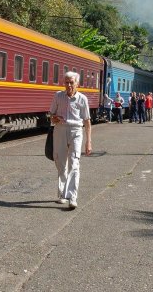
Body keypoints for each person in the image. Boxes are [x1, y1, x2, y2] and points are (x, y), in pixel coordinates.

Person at [49, 71, 92, 210]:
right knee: (61, 163)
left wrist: (88, 141)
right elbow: (51, 116)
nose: (68, 85)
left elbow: (87, 121)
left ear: (77, 84)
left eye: (71, 82)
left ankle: (73, 197)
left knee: (74, 164)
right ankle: (62, 194)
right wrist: (55, 118)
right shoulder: (58, 96)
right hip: (60, 130)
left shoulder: (82, 99)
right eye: (66, 82)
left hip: (76, 131)